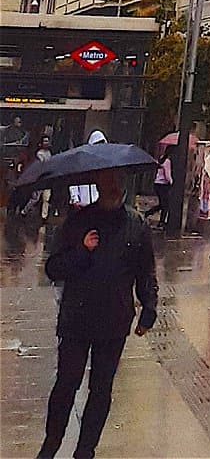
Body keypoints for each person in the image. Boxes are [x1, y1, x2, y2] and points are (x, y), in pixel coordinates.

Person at [37, 168, 157, 459]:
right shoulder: (79, 221)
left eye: (117, 181)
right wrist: (82, 251)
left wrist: (149, 308)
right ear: (98, 185)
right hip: (77, 320)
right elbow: (53, 269)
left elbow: (146, 272)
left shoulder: (136, 224)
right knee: (66, 385)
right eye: (107, 181)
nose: (113, 187)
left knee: (101, 390)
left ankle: (85, 450)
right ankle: (51, 445)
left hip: (114, 320)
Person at [70, 132, 107, 212]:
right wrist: (75, 198)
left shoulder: (106, 163)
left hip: (99, 206)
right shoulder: (82, 163)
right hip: (83, 204)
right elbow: (74, 182)